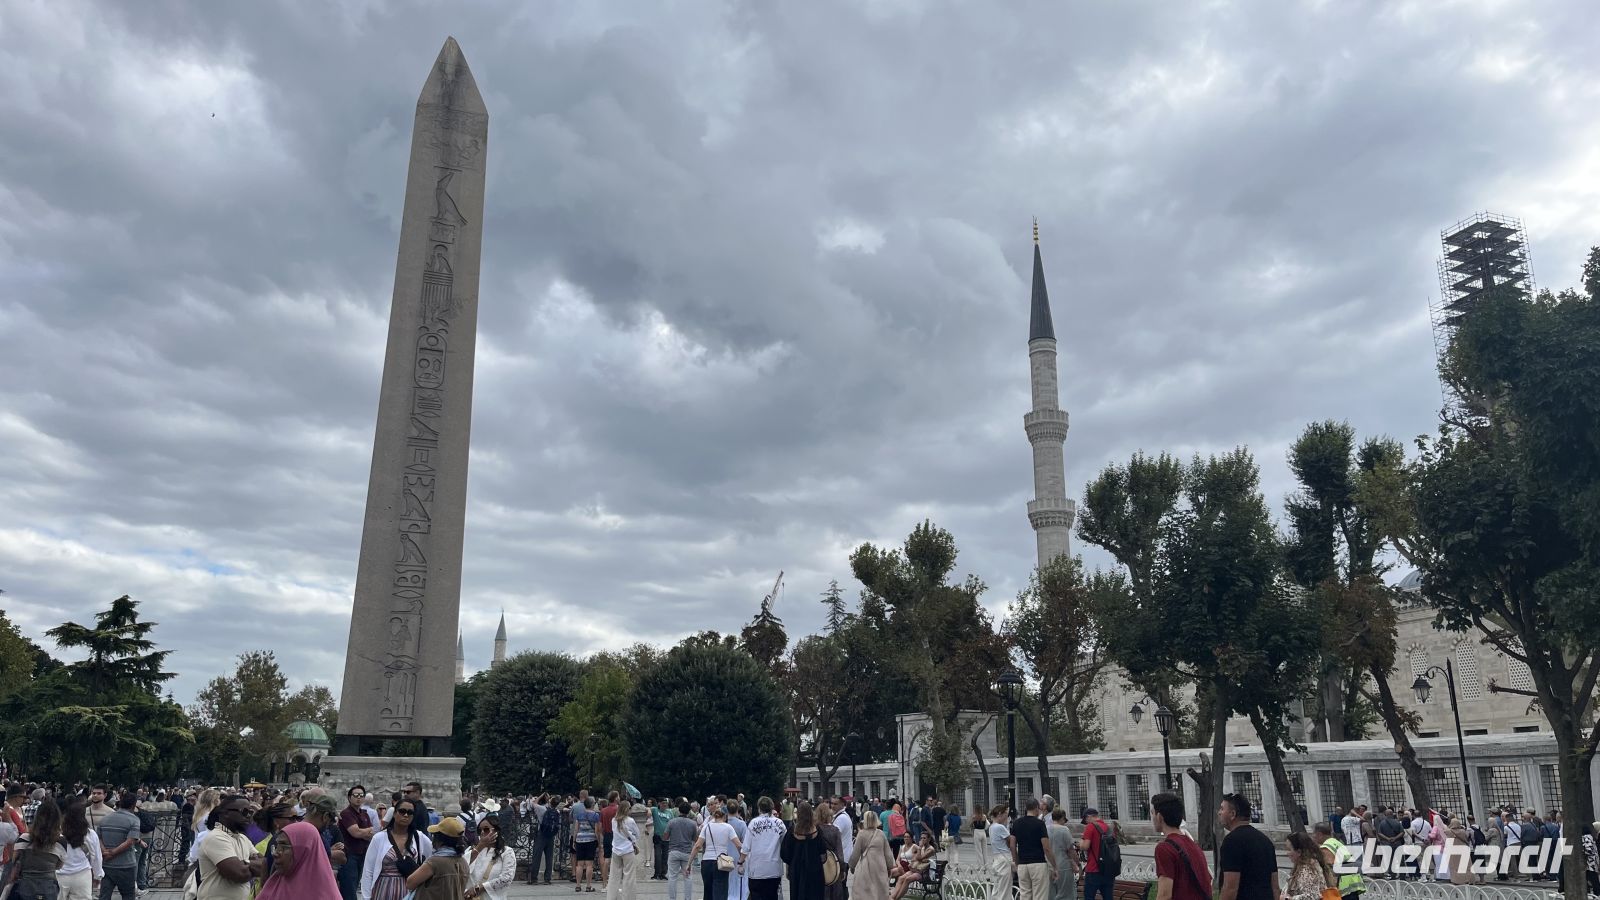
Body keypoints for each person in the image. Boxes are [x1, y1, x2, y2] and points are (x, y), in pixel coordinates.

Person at [361, 798, 433, 900]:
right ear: (394, 814)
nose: (406, 815)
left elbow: (434, 857)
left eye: (410, 812)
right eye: (402, 811)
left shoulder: (419, 837)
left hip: (409, 893)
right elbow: (368, 870)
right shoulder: (379, 838)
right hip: (383, 890)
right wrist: (366, 897)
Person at [198, 795, 264, 900]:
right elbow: (239, 874)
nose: (248, 816)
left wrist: (245, 863)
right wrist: (250, 866)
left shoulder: (242, 838)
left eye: (251, 812)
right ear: (225, 813)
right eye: (244, 811)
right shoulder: (216, 837)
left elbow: (265, 865)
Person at [258, 820, 341, 900]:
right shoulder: (274, 885)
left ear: (303, 852)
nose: (275, 854)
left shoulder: (326, 896)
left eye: (283, 847)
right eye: (276, 847)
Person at [1218, 793, 1278, 900]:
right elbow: (1275, 886)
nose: (1219, 813)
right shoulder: (1265, 841)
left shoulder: (1231, 842)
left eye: (1222, 809)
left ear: (1232, 814)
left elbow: (1230, 888)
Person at [1151, 792, 1208, 900]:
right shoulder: (1192, 844)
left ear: (1159, 817)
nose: (1152, 818)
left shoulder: (1164, 848)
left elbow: (1164, 895)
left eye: (1152, 813)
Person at [12, 794, 66, 900]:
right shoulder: (61, 841)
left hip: (25, 886)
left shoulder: (24, 838)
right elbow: (59, 865)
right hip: (48, 888)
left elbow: (15, 860)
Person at [404, 816, 468, 900]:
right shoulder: (463, 862)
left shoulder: (435, 861)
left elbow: (410, 883)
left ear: (440, 840)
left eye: (434, 835)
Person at [96, 792, 143, 900]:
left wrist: (104, 852)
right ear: (133, 805)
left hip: (107, 865)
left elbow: (98, 838)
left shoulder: (105, 818)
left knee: (104, 896)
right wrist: (113, 853)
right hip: (126, 865)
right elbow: (130, 842)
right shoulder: (134, 820)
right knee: (128, 895)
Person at [692, 805, 743, 900]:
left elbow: (697, 846)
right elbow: (739, 845)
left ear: (715, 816)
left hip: (706, 862)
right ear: (725, 816)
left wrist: (689, 863)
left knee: (708, 892)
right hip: (721, 862)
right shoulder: (728, 827)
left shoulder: (706, 827)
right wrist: (742, 860)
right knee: (721, 891)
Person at [779, 802, 827, 900]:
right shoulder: (817, 831)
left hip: (797, 870)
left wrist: (790, 865)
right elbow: (823, 852)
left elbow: (785, 854)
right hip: (815, 870)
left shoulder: (792, 831)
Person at [1010, 797, 1055, 900]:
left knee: (1025, 895)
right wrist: (1054, 866)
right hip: (1038, 863)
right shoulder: (1040, 824)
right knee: (1039, 895)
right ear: (1036, 808)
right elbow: (1046, 848)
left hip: (1022, 864)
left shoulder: (1016, 823)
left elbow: (1012, 845)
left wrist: (1016, 862)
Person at [745, 797, 788, 900]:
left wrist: (740, 862)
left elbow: (746, 846)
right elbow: (786, 843)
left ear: (759, 808)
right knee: (772, 896)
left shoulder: (753, 823)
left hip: (757, 869)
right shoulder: (779, 823)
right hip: (773, 869)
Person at [60, 800, 103, 900]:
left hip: (60, 875)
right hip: (82, 875)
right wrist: (98, 875)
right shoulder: (90, 834)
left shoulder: (59, 832)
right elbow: (96, 856)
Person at [464, 813, 514, 900]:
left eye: (486, 829)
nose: (482, 833)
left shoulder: (507, 852)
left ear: (496, 831)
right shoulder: (472, 850)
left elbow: (507, 878)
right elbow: (461, 867)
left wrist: (480, 887)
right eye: (480, 830)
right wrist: (480, 846)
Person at [338, 786, 375, 900]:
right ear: (349, 798)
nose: (358, 798)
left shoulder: (365, 814)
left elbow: (371, 834)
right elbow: (356, 833)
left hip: (362, 853)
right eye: (355, 795)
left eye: (361, 795)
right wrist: (365, 832)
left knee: (355, 886)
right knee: (349, 890)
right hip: (349, 855)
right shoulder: (346, 813)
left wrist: (363, 832)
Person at [849, 810, 892, 900]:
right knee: (879, 889)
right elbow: (887, 852)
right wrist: (889, 866)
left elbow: (856, 852)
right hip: (880, 865)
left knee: (865, 890)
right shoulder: (881, 834)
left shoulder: (861, 834)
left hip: (866, 865)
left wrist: (852, 866)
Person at [1077, 807, 1114, 900]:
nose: (1086, 823)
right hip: (1108, 870)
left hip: (1094, 869)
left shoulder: (1090, 826)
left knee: (1089, 896)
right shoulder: (1108, 827)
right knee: (1108, 897)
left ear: (1088, 817)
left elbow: (1085, 846)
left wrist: (1081, 840)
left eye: (1085, 820)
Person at [1283, 832, 1334, 900]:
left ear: (1299, 852)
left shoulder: (1307, 870)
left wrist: (1289, 898)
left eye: (1289, 849)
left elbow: (1312, 896)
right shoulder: (1307, 865)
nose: (1287, 853)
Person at [608, 799, 642, 900]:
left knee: (614, 875)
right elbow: (637, 834)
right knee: (629, 876)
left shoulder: (613, 820)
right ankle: (628, 897)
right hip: (627, 850)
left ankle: (611, 896)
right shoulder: (630, 821)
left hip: (616, 849)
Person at [667, 800, 700, 900]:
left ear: (679, 810)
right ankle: (687, 898)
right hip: (687, 852)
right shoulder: (693, 823)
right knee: (688, 877)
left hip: (673, 851)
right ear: (689, 811)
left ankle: (672, 898)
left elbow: (665, 836)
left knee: (672, 877)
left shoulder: (672, 822)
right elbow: (695, 839)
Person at [1047, 809, 1078, 900]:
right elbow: (1070, 850)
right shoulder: (1064, 829)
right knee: (1065, 894)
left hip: (1049, 866)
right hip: (1063, 865)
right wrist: (1077, 863)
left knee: (1051, 894)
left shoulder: (1045, 828)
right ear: (1062, 818)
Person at [573, 796, 601, 893]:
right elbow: (597, 831)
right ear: (592, 804)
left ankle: (578, 885)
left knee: (579, 864)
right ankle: (588, 886)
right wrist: (599, 842)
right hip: (591, 840)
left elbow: (576, 828)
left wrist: (574, 840)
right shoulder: (595, 816)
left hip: (580, 839)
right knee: (589, 864)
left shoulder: (579, 815)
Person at [529, 794, 558, 886]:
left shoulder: (542, 809)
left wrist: (541, 796)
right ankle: (547, 878)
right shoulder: (557, 811)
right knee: (549, 857)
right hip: (551, 835)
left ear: (550, 802)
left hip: (541, 834)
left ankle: (534, 878)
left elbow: (533, 803)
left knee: (537, 856)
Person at [985, 805, 1012, 900]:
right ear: (1000, 814)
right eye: (1006, 814)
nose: (1007, 817)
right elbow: (1010, 841)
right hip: (1004, 859)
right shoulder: (1000, 827)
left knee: (997, 889)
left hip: (997, 859)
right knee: (1005, 891)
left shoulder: (992, 827)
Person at [653, 799, 675, 881]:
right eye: (663, 803)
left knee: (665, 856)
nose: (665, 805)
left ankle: (663, 873)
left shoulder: (669, 812)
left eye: (666, 803)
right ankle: (657, 873)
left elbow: (672, 822)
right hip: (658, 836)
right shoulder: (655, 810)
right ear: (659, 803)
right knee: (658, 855)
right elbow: (647, 809)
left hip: (667, 837)